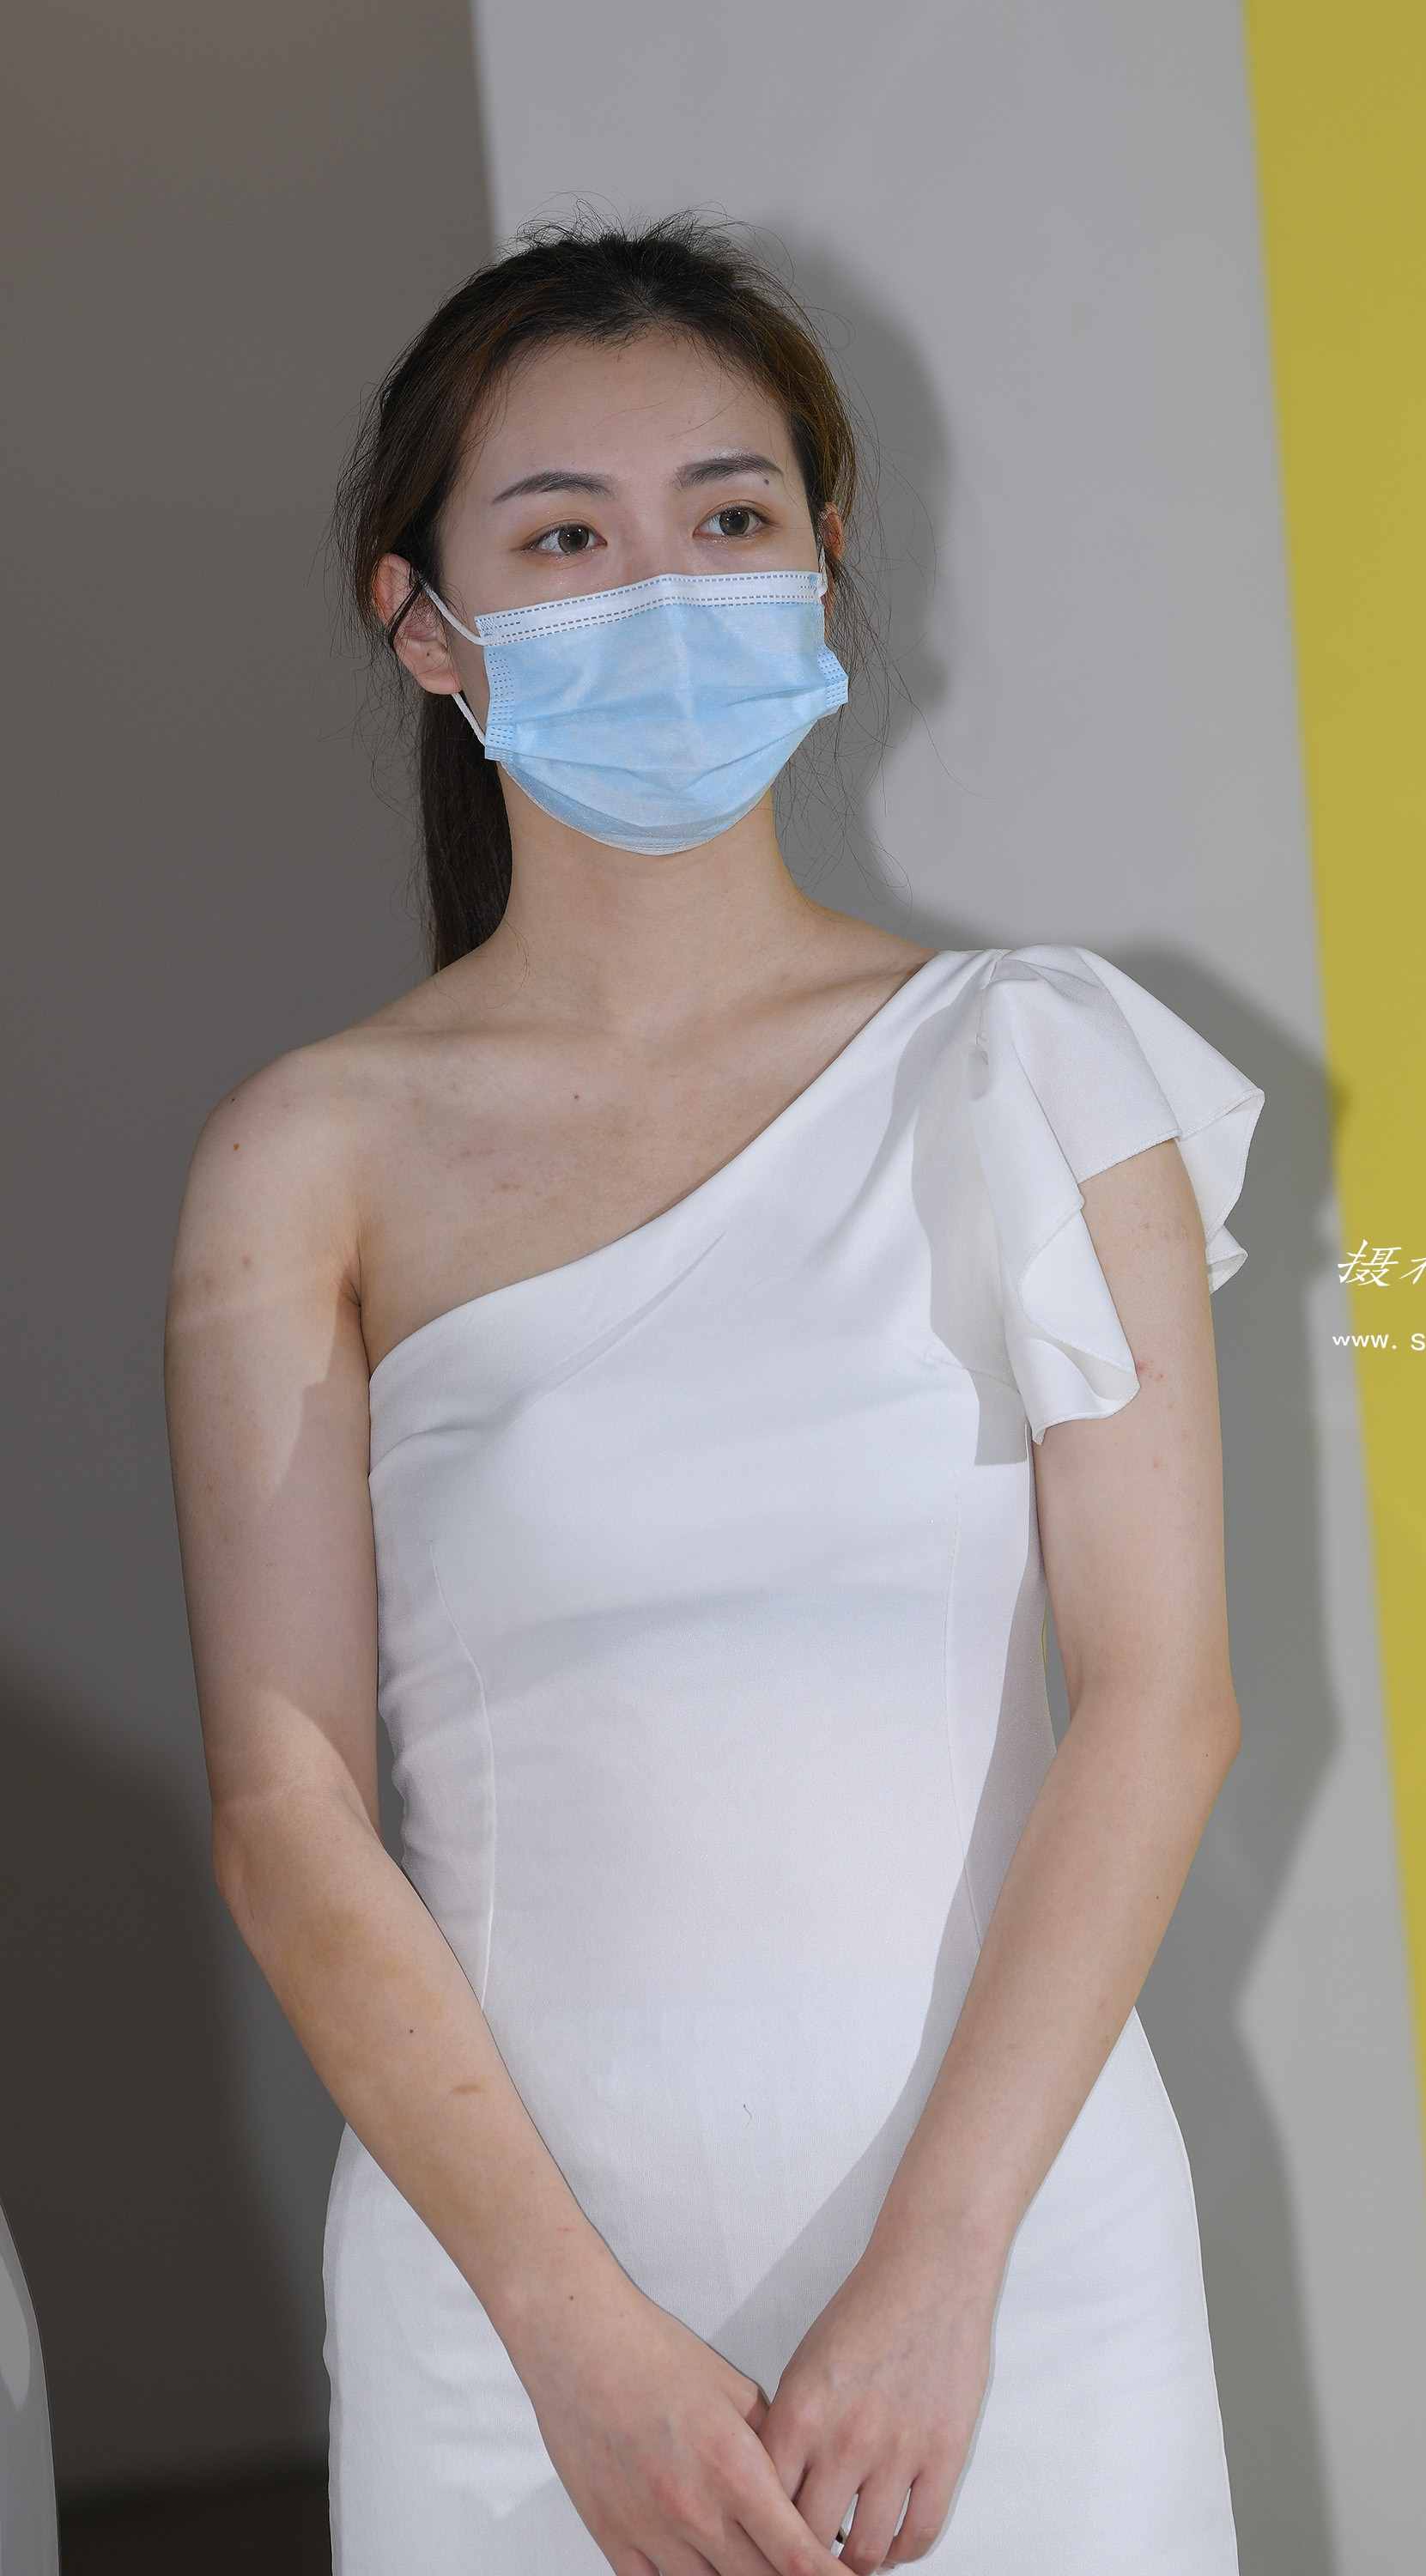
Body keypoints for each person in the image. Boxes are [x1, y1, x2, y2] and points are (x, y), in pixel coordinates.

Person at [163, 210, 1265, 2576]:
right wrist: (574, 2340)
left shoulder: (1039, 1065)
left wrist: (938, 2274)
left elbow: (1161, 1700)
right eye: (567, 537)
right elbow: (283, 1800)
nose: (661, 590)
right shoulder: (311, 1154)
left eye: (730, 515)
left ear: (825, 561)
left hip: (1010, 2280)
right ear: (426, 624)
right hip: (518, 2318)